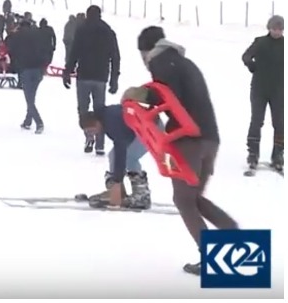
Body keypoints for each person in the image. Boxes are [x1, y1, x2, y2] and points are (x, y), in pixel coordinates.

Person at [121, 26, 238, 275]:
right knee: (193, 198)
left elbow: (167, 95)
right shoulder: (185, 62)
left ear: (146, 50)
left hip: (189, 141)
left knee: (183, 200)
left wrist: (136, 93)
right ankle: (232, 233)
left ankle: (212, 258)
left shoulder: (161, 61)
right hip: (210, 139)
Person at [64, 5, 121, 155]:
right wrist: (114, 79)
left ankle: (89, 135)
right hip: (101, 77)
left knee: (83, 109)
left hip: (84, 76)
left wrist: (67, 71)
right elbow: (115, 57)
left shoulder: (82, 30)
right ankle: (100, 143)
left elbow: (74, 52)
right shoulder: (108, 32)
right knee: (100, 111)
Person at [79, 104, 158, 210]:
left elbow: (121, 150)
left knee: (130, 157)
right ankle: (118, 192)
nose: (92, 134)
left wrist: (117, 181)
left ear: (96, 121)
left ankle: (142, 195)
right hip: (141, 128)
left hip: (152, 129)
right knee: (113, 155)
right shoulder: (106, 118)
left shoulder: (112, 122)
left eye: (91, 130)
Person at [241, 15, 284, 172]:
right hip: (259, 89)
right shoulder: (260, 42)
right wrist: (251, 65)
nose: (277, 32)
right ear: (269, 28)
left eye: (280, 29)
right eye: (274, 28)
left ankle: (278, 154)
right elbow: (246, 56)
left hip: (279, 91)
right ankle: (253, 154)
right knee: (257, 121)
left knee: (279, 123)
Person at [6, 19, 52, 133]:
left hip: (26, 68)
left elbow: (9, 46)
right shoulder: (38, 34)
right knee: (32, 96)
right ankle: (28, 121)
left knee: (29, 99)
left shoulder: (18, 36)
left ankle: (39, 123)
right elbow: (47, 48)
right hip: (38, 69)